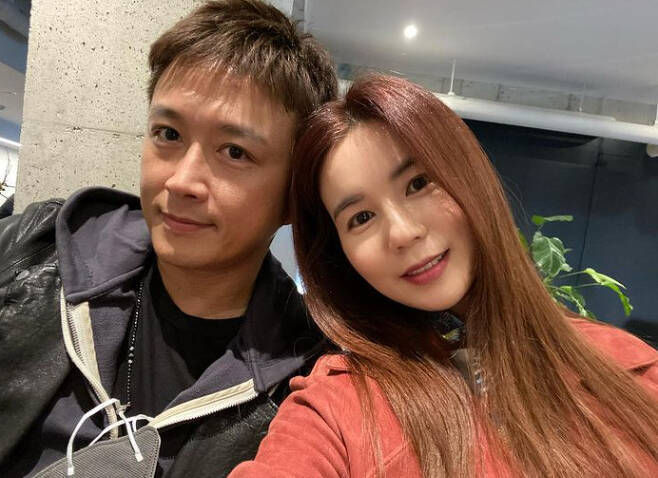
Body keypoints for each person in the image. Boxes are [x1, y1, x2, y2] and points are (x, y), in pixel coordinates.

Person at [230, 75, 658, 477]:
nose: (403, 232)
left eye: (418, 184)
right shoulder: (340, 406)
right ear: (339, 257)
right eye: (361, 217)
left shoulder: (629, 368)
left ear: (468, 176)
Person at [0, 1, 336, 477]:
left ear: (293, 196)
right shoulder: (33, 250)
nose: (181, 181)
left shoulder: (309, 383)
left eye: (234, 151)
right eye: (168, 133)